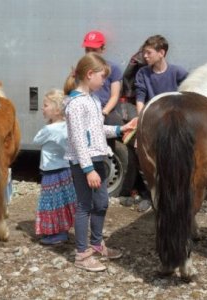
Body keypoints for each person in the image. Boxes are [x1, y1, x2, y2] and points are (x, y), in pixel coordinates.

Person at [63, 52, 135, 272]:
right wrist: (88, 170)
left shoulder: (93, 100)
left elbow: (96, 129)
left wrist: (120, 129)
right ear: (89, 74)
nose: (105, 82)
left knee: (101, 203)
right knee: (84, 206)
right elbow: (77, 138)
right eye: (103, 77)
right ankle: (82, 254)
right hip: (84, 163)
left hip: (98, 158)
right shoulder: (75, 104)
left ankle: (96, 243)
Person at [133, 34, 188, 212]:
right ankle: (151, 194)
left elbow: (190, 93)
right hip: (151, 120)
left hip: (174, 123)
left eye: (148, 53)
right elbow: (140, 99)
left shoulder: (178, 72)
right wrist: (141, 124)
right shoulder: (143, 73)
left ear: (161, 53)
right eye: (144, 53)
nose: (145, 56)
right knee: (141, 153)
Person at [33, 89, 76, 245]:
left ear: (57, 110)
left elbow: (36, 140)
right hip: (65, 170)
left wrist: (48, 125)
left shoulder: (48, 130)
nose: (42, 108)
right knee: (62, 202)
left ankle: (56, 234)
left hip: (51, 172)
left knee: (51, 203)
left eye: (45, 105)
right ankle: (62, 230)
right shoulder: (67, 126)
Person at [81, 30, 123, 126]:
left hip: (105, 110)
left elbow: (114, 96)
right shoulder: (81, 68)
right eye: (87, 50)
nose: (90, 54)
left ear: (102, 49)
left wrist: (103, 113)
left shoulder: (113, 68)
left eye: (94, 50)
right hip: (85, 110)